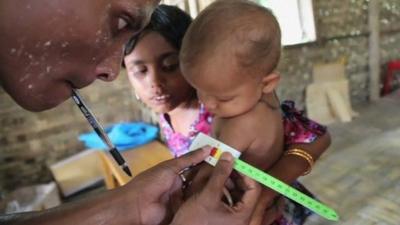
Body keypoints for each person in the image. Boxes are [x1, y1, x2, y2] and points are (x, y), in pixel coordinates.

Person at [0, 1, 262, 225]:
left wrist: (263, 203)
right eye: (139, 71)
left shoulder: (224, 110)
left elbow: (292, 143)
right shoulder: (165, 115)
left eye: (171, 65)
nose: (111, 72)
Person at [124, 3, 331, 225]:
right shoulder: (172, 110)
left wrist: (265, 195)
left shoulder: (241, 106)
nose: (155, 84)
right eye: (140, 71)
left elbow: (316, 138)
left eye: (170, 65)